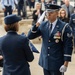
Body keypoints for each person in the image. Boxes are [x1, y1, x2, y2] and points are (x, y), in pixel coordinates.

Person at [28, 3, 73, 75]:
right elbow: (30, 36)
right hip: (45, 62)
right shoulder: (43, 25)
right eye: (47, 12)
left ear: (57, 13)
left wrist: (66, 63)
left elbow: (68, 46)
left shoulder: (64, 27)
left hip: (57, 63)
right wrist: (36, 25)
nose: (48, 15)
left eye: (51, 13)